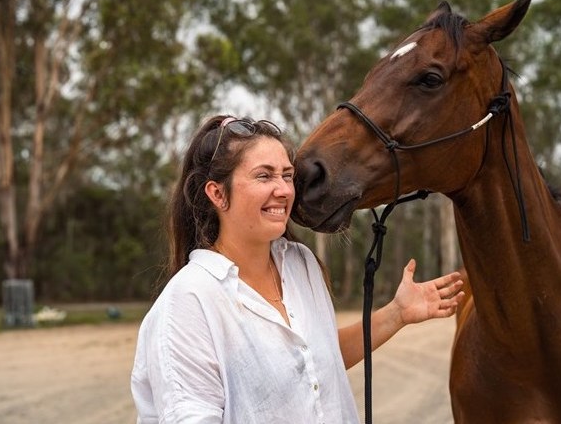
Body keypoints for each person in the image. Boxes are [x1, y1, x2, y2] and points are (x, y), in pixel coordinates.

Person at [131, 115, 465, 423]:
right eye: (264, 175)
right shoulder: (188, 302)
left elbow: (318, 362)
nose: (283, 190)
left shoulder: (300, 263)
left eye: (287, 176)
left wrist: (397, 313)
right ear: (217, 194)